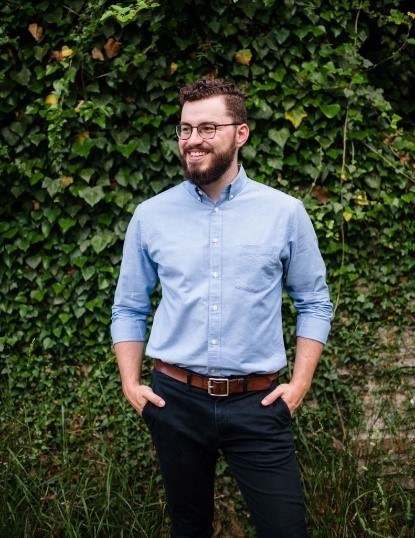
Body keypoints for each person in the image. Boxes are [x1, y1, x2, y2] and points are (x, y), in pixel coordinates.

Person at [111, 78, 332, 538]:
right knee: (189, 528)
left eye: (208, 127)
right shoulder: (150, 215)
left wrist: (300, 385)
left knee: (286, 529)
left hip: (259, 402)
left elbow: (313, 301)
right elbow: (129, 306)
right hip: (175, 400)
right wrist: (131, 384)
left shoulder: (284, 213)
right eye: (185, 129)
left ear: (241, 133)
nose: (193, 140)